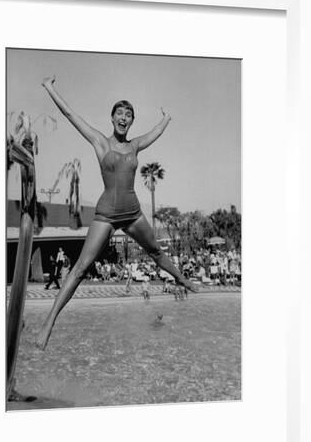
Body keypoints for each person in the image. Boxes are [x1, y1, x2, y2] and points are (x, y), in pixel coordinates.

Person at [36, 76, 197, 349]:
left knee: (156, 252)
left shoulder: (134, 145)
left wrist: (166, 119)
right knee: (80, 269)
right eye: (120, 113)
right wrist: (50, 88)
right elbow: (70, 114)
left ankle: (182, 278)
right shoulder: (100, 141)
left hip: (132, 212)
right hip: (107, 214)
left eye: (129, 114)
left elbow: (154, 134)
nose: (125, 117)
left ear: (131, 121)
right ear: (112, 118)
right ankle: (49, 323)